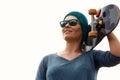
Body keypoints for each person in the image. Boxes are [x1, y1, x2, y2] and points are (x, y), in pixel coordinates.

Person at [36, 11, 120, 80]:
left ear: (83, 29)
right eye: (63, 23)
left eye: (72, 23)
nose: (67, 25)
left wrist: (106, 26)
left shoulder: (91, 56)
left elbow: (117, 55)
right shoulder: (47, 60)